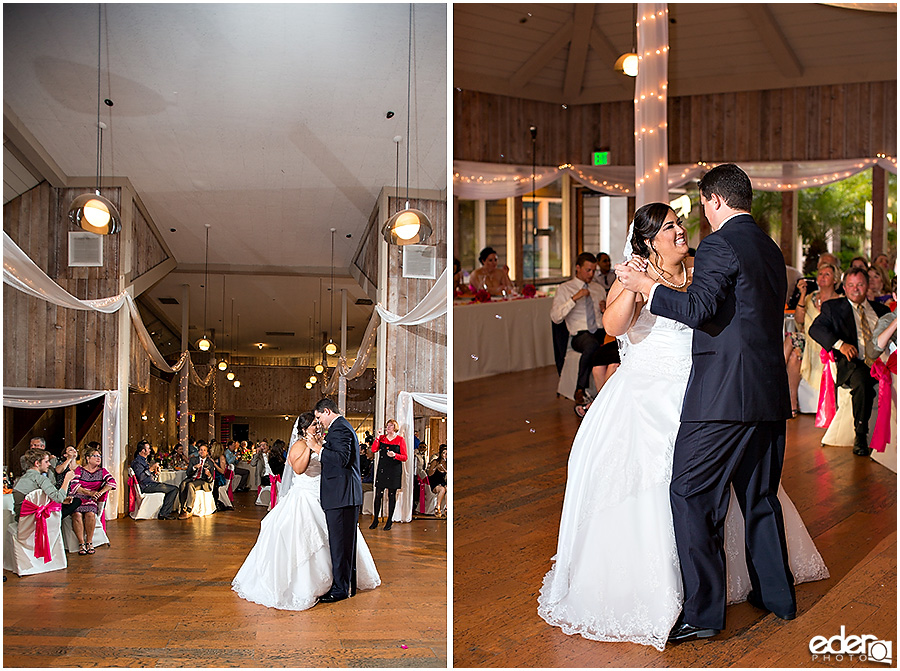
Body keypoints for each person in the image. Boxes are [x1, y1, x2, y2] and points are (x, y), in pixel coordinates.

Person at [539, 201, 828, 650]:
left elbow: (707, 314)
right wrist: (635, 287)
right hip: (646, 398)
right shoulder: (630, 274)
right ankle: (674, 592)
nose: (680, 232)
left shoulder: (700, 269)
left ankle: (723, 592)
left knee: (721, 491)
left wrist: (655, 285)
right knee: (667, 490)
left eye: (680, 224)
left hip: (705, 392)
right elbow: (614, 328)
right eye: (670, 227)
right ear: (649, 240)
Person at [617, 165, 804, 641]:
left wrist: (649, 289)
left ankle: (702, 614)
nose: (698, 216)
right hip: (766, 393)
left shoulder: (721, 243)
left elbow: (700, 311)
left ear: (714, 200)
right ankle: (776, 596)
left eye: (701, 204)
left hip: (723, 398)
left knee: (690, 494)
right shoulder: (768, 246)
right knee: (759, 498)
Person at [232, 412, 380, 610]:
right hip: (304, 496)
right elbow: (299, 470)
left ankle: (342, 580)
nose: (317, 427)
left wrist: (320, 445)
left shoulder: (323, 441)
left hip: (325, 495)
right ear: (303, 429)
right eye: (313, 425)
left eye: (318, 423)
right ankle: (313, 583)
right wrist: (311, 448)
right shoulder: (298, 445)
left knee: (337, 537)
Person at [809, 266, 892, 456]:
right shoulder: (834, 308)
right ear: (844, 288)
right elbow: (816, 329)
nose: (856, 289)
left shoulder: (882, 310)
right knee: (862, 381)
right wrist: (841, 345)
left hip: (884, 363)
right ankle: (861, 435)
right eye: (851, 285)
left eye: (860, 284)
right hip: (855, 364)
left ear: (867, 285)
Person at [308, 398, 363, 603]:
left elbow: (341, 460)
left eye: (319, 416)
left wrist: (317, 448)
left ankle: (341, 589)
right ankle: (348, 584)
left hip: (342, 496)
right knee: (345, 544)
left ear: (327, 411)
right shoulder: (341, 427)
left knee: (340, 545)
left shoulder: (339, 429)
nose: (319, 421)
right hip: (343, 495)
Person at [550, 252, 620, 405]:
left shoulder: (598, 288)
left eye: (594, 270)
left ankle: (610, 395)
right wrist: (574, 299)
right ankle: (580, 388)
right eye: (588, 270)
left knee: (615, 345)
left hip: (600, 331)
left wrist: (605, 309)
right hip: (580, 334)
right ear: (578, 268)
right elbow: (555, 317)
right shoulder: (565, 289)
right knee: (592, 345)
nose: (591, 274)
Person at [786, 263, 841, 416]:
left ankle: (775, 381)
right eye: (820, 274)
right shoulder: (811, 297)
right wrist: (802, 295)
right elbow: (799, 320)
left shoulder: (839, 300)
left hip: (826, 343)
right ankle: (792, 403)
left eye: (827, 274)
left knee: (793, 356)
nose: (822, 277)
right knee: (792, 342)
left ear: (835, 279)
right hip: (807, 340)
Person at [68, 442, 117, 555]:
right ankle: (81, 543)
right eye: (95, 456)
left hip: (91, 499)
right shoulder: (79, 470)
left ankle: (89, 542)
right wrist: (88, 492)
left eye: (99, 456)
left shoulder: (102, 471)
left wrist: (100, 492)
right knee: (77, 514)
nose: (98, 458)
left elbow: (112, 483)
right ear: (88, 458)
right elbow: (74, 486)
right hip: (79, 497)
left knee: (90, 513)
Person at [13, 447, 78, 520]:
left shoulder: (20, 479)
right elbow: (59, 498)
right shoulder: (40, 479)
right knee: (77, 501)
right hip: (37, 520)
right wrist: (67, 479)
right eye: (46, 461)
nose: (49, 464)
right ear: (37, 463)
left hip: (22, 520)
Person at [368, 419, 408, 531]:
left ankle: (389, 520)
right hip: (382, 469)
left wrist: (395, 455)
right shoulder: (382, 438)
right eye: (387, 425)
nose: (388, 427)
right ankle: (375, 519)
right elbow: (373, 449)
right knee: (378, 495)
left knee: (391, 495)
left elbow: (405, 457)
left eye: (391, 425)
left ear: (395, 427)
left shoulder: (400, 440)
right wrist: (377, 437)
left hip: (394, 470)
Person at [131, 440, 179, 520]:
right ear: (143, 450)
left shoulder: (143, 460)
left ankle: (164, 512)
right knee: (174, 489)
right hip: (146, 486)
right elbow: (141, 477)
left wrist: (154, 473)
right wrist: (150, 469)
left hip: (150, 484)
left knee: (172, 488)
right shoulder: (137, 462)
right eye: (148, 448)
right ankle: (164, 513)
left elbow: (147, 476)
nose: (150, 450)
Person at [177, 442, 214, 519]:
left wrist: (209, 475)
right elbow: (188, 473)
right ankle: (182, 507)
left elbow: (210, 480)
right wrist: (194, 468)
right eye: (200, 450)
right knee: (183, 484)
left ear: (207, 452)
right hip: (192, 478)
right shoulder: (193, 460)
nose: (202, 451)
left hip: (202, 481)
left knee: (190, 485)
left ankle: (189, 508)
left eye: (204, 450)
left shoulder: (210, 463)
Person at [427, 444, 448, 518]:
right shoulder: (435, 461)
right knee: (442, 489)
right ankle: (437, 507)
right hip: (435, 482)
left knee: (448, 489)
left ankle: (446, 508)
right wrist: (436, 468)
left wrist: (446, 471)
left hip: (443, 482)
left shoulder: (448, 463)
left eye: (447, 453)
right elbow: (429, 474)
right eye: (444, 453)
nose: (445, 455)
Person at [208, 441, 231, 509]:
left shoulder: (221, 457)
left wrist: (214, 464)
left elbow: (222, 471)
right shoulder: (213, 457)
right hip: (214, 477)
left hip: (219, 478)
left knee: (214, 486)